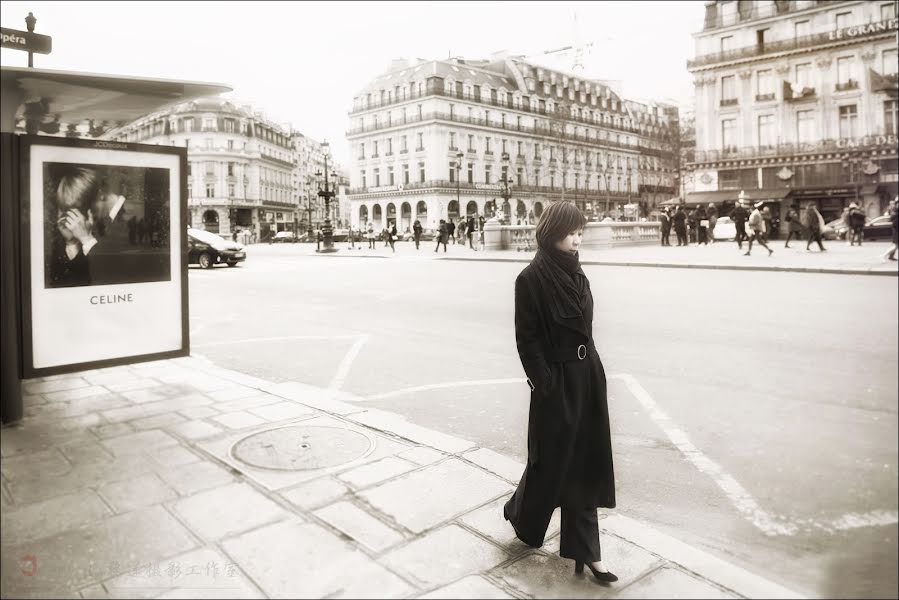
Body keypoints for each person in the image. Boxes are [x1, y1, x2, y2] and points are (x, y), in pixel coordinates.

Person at [504, 201, 617, 584]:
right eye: (572, 233)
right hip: (557, 382)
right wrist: (545, 384)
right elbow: (527, 340)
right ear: (553, 232)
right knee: (549, 463)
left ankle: (588, 552)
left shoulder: (575, 269)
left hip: (586, 377)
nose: (577, 240)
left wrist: (593, 371)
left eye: (581, 233)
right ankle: (521, 513)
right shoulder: (531, 278)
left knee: (584, 463)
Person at [881, 197, 898, 262]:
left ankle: (890, 256)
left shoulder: (895, 211)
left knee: (895, 246)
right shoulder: (895, 211)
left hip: (896, 230)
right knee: (895, 246)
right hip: (896, 230)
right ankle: (883, 256)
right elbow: (892, 220)